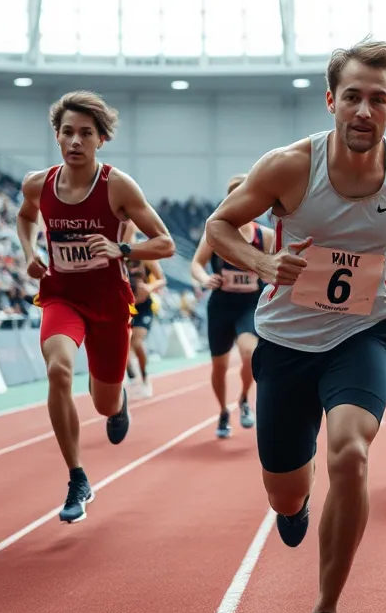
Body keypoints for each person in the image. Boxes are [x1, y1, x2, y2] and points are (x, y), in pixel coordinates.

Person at [204, 40, 386, 613]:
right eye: (352, 96)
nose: (363, 110)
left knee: (349, 452)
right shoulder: (290, 166)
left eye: (378, 99)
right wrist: (266, 262)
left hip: (365, 332)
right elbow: (219, 227)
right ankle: (293, 505)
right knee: (284, 492)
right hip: (287, 344)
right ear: (331, 101)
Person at [17, 91, 175, 524]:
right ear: (57, 135)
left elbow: (166, 243)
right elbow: (26, 216)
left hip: (108, 302)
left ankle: (118, 400)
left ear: (100, 140)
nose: (75, 141)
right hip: (61, 295)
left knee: (103, 405)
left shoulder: (117, 186)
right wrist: (30, 250)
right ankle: (76, 477)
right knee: (59, 370)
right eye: (67, 132)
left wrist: (121, 247)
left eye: (85, 133)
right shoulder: (39, 183)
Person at [190, 174, 272, 438]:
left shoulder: (265, 235)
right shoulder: (215, 233)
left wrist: (269, 272)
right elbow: (196, 264)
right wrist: (205, 279)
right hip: (221, 305)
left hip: (250, 304)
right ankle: (223, 411)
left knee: (249, 353)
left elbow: (279, 261)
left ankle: (245, 399)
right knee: (220, 366)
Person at [126, 253, 165, 398]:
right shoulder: (116, 255)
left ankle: (144, 377)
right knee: (123, 345)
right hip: (126, 305)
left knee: (136, 341)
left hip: (144, 307)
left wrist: (149, 287)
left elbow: (162, 280)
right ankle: (131, 375)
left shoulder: (146, 256)